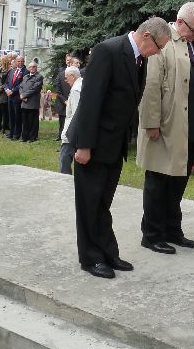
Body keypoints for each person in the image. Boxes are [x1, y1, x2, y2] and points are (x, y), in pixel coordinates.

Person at [65, 17, 171, 279]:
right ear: (146, 36)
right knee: (89, 203)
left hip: (114, 144)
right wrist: (84, 146)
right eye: (158, 46)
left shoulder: (140, 59)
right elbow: (90, 101)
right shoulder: (108, 50)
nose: (158, 52)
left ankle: (108, 252)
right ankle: (90, 258)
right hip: (93, 143)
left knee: (103, 202)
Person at [137, 2, 194, 254]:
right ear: (180, 22)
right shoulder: (164, 41)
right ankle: (152, 234)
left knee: (178, 181)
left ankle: (172, 229)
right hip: (166, 126)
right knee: (158, 182)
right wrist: (151, 122)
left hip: (189, 127)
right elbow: (151, 84)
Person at [59, 66, 82, 174]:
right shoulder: (80, 85)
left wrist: (68, 133)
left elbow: (76, 114)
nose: (65, 80)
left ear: (72, 76)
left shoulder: (76, 89)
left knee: (65, 157)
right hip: (74, 131)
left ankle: (64, 178)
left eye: (66, 77)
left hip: (71, 132)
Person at [19, 61, 44, 142]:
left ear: (36, 67)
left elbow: (35, 88)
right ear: (28, 68)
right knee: (25, 121)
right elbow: (21, 87)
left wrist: (24, 95)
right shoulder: (25, 77)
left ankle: (32, 137)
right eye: (30, 67)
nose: (32, 68)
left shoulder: (39, 77)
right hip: (24, 102)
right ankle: (25, 137)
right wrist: (21, 95)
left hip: (32, 102)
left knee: (33, 121)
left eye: (34, 66)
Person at [5, 55, 27, 140]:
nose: (20, 63)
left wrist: (13, 90)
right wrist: (7, 89)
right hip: (10, 96)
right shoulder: (12, 71)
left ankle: (16, 134)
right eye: (18, 61)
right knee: (11, 115)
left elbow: (22, 84)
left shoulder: (26, 72)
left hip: (17, 97)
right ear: (15, 62)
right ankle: (11, 132)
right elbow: (7, 82)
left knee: (17, 116)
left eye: (22, 61)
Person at [53, 53, 73, 140]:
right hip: (62, 100)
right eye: (67, 60)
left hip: (72, 99)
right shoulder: (61, 72)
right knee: (62, 119)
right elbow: (57, 87)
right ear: (65, 61)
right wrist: (64, 100)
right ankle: (60, 135)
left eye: (70, 60)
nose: (69, 62)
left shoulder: (77, 72)